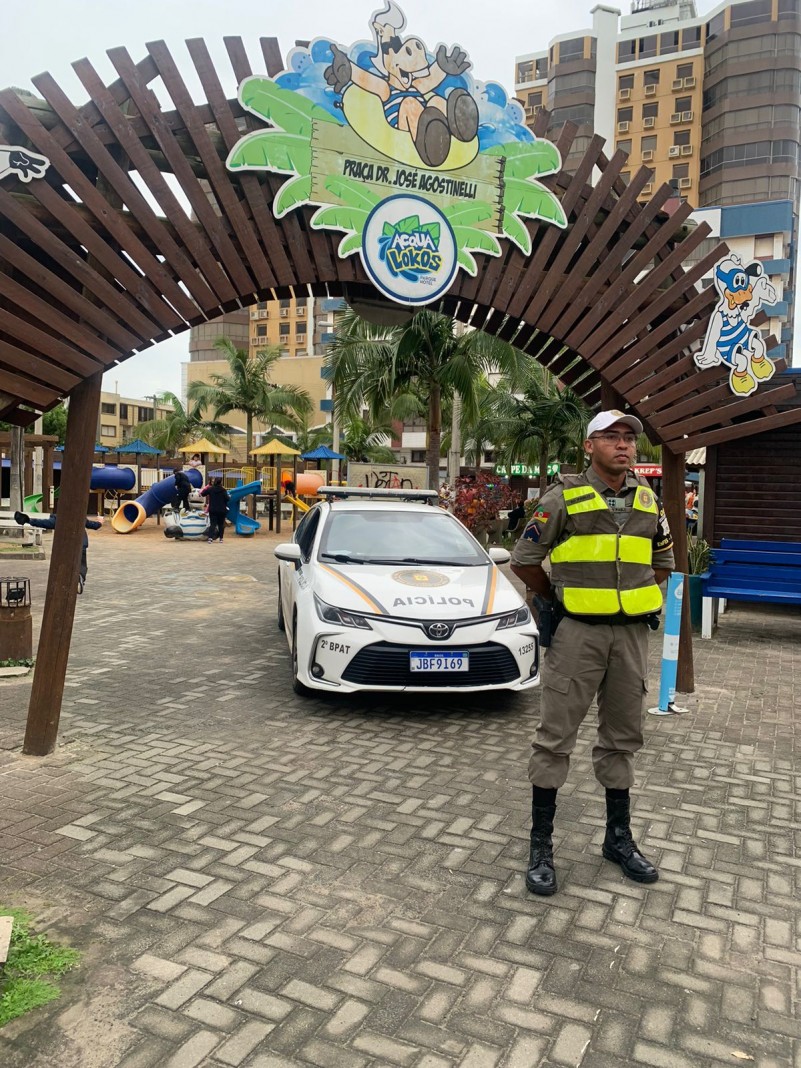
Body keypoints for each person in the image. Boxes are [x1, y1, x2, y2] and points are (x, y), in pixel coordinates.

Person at [511, 410, 674, 897]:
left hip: (629, 638)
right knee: (554, 738)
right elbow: (524, 560)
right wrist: (559, 601)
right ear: (589, 446)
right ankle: (542, 845)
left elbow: (662, 562)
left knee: (623, 737)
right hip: (577, 635)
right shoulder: (562, 498)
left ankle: (618, 839)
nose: (623, 445)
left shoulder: (649, 501)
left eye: (629, 438)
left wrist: (630, 598)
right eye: (611, 437)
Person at [14, 511, 102, 593]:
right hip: (80, 544)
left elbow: (44, 523)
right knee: (82, 565)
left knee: (64, 565)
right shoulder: (80, 516)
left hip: (65, 547)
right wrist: (99, 522)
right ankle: (80, 577)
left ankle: (66, 582)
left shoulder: (58, 518)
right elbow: (93, 525)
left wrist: (29, 520)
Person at [200, 477, 230, 542]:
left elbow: (202, 494)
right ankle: (221, 538)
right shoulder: (223, 490)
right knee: (221, 524)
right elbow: (227, 499)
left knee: (212, 524)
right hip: (222, 510)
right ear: (221, 482)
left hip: (213, 509)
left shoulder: (211, 489)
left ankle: (210, 538)